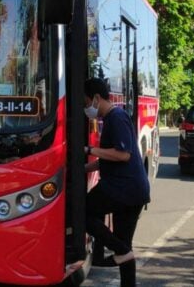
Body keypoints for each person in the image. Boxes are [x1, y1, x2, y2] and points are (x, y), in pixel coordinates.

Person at [65, 77, 150, 286]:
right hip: (133, 191)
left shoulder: (116, 117)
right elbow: (109, 157)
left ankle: (119, 251)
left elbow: (123, 155)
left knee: (81, 211)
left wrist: (88, 150)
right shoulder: (112, 118)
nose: (86, 108)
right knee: (125, 250)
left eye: (85, 103)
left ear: (96, 98)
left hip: (123, 188)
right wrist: (82, 168)